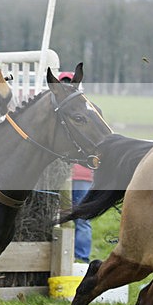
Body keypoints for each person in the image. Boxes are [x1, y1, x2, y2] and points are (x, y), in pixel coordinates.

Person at [59, 71, 92, 262]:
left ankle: (80, 259)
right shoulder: (86, 110)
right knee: (76, 219)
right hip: (75, 176)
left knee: (80, 219)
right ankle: (74, 258)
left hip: (80, 175)